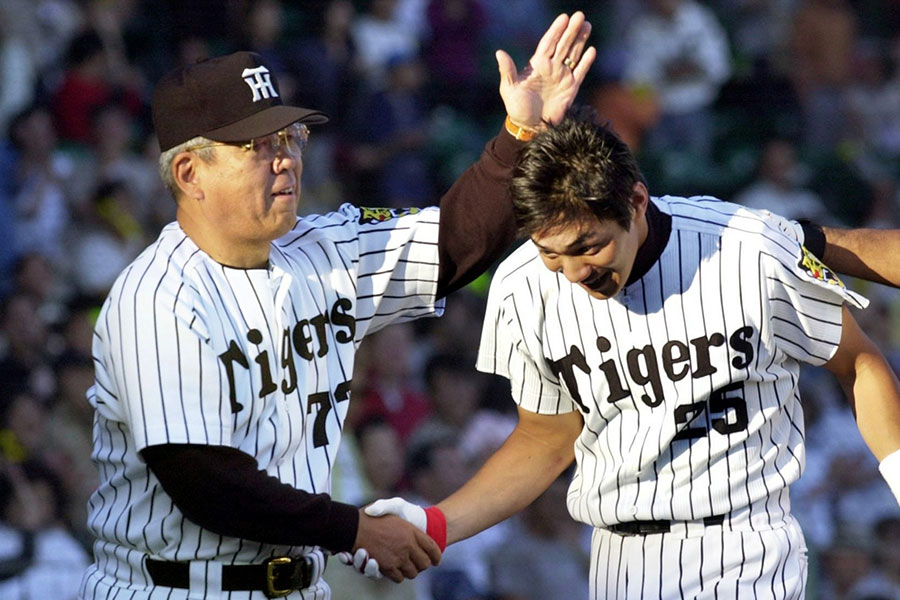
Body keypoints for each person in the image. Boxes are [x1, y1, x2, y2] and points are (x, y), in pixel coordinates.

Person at [77, 12, 596, 599]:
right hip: (175, 587)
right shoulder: (155, 296)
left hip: (302, 584)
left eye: (290, 137)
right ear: (190, 172)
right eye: (257, 145)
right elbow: (205, 481)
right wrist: (353, 530)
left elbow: (455, 240)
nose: (286, 159)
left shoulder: (319, 249)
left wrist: (519, 137)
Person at [363, 108, 900, 598]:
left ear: (636, 202)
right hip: (619, 559)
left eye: (587, 246)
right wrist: (436, 523)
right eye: (552, 254)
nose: (574, 272)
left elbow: (858, 362)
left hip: (748, 544)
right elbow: (547, 438)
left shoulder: (748, 248)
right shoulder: (521, 286)